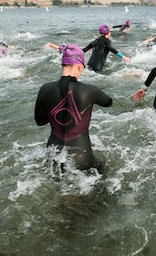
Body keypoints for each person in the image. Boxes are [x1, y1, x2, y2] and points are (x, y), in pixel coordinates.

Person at [34, 44, 113, 174]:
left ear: (63, 65)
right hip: (81, 156)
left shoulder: (45, 89)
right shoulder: (89, 90)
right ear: (79, 66)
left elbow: (40, 121)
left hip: (53, 154)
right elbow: (108, 102)